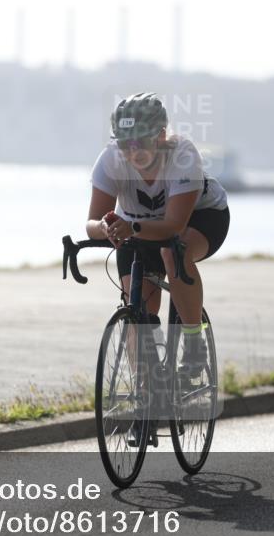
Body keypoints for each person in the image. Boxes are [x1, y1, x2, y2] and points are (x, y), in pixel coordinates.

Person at [85, 92, 230, 379]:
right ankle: (147, 391)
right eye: (124, 143)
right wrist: (104, 227)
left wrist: (132, 228)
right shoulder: (111, 159)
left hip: (202, 218)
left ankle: (192, 342)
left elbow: (174, 226)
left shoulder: (183, 155)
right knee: (139, 308)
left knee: (174, 252)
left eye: (141, 142)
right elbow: (91, 222)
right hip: (137, 227)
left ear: (161, 136)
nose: (132, 151)